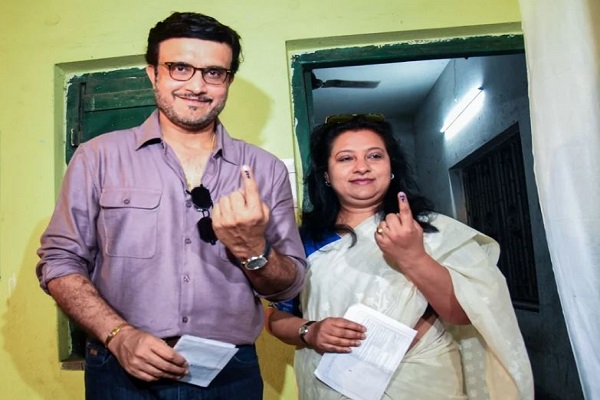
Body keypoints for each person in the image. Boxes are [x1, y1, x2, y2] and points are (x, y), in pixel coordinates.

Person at [36, 11, 306, 400]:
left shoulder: (265, 170)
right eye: (180, 68)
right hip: (118, 368)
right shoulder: (97, 157)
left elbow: (289, 285)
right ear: (153, 73)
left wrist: (253, 249)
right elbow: (59, 262)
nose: (197, 85)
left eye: (214, 73)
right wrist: (118, 335)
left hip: (228, 375)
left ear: (228, 80)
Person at [266, 114, 534, 400]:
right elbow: (274, 317)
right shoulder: (303, 241)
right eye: (345, 158)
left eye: (375, 156)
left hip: (423, 383)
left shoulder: (430, 231)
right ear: (326, 175)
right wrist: (310, 331)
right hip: (329, 384)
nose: (362, 167)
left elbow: (466, 312)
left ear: (391, 167)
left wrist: (413, 256)